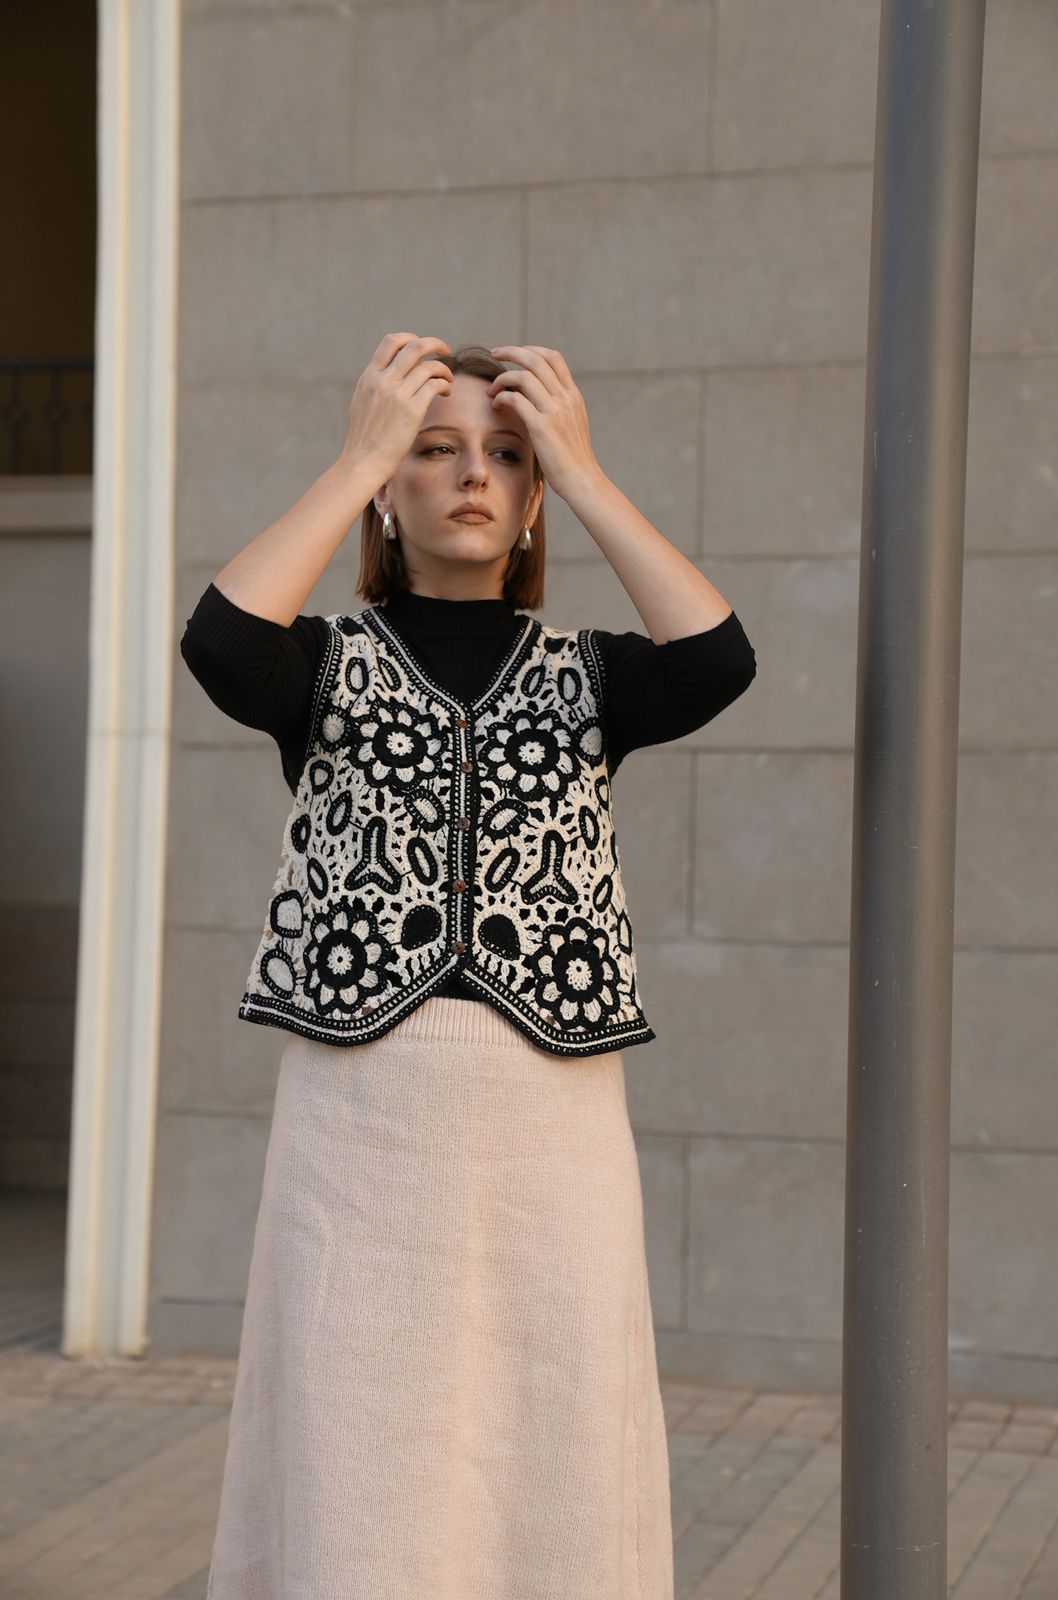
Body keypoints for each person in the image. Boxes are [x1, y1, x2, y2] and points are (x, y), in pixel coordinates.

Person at [181, 332, 756, 1599]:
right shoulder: (322, 666)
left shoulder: (591, 678)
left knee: (557, 1419)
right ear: (394, 487)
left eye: (506, 455)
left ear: (533, 493)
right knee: (355, 1424)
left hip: (550, 1122)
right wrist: (358, 455)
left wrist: (582, 468)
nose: (473, 474)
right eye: (435, 450)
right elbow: (220, 642)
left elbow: (718, 659)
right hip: (361, 1123)